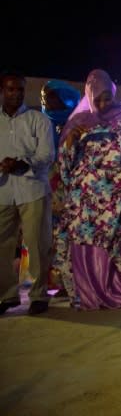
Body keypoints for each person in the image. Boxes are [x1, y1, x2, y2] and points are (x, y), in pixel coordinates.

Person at [54, 69, 121, 310]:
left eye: (106, 99)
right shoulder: (78, 122)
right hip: (87, 197)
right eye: (97, 99)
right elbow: (65, 165)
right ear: (89, 96)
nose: (102, 105)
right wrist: (70, 142)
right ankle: (91, 291)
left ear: (113, 94)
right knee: (84, 234)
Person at [0, 71, 54, 315]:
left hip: (32, 189)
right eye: (11, 89)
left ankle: (39, 295)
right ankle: (7, 296)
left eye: (20, 89)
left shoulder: (39, 120)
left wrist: (22, 163)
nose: (16, 94)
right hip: (3, 191)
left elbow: (47, 156)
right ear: (2, 91)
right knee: (2, 245)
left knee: (37, 245)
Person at [40, 79, 81, 296]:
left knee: (75, 235)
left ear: (66, 98)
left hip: (75, 190)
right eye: (45, 97)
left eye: (52, 97)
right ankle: (61, 282)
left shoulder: (79, 122)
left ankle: (80, 280)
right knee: (54, 238)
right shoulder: (40, 122)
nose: (47, 101)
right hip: (47, 190)